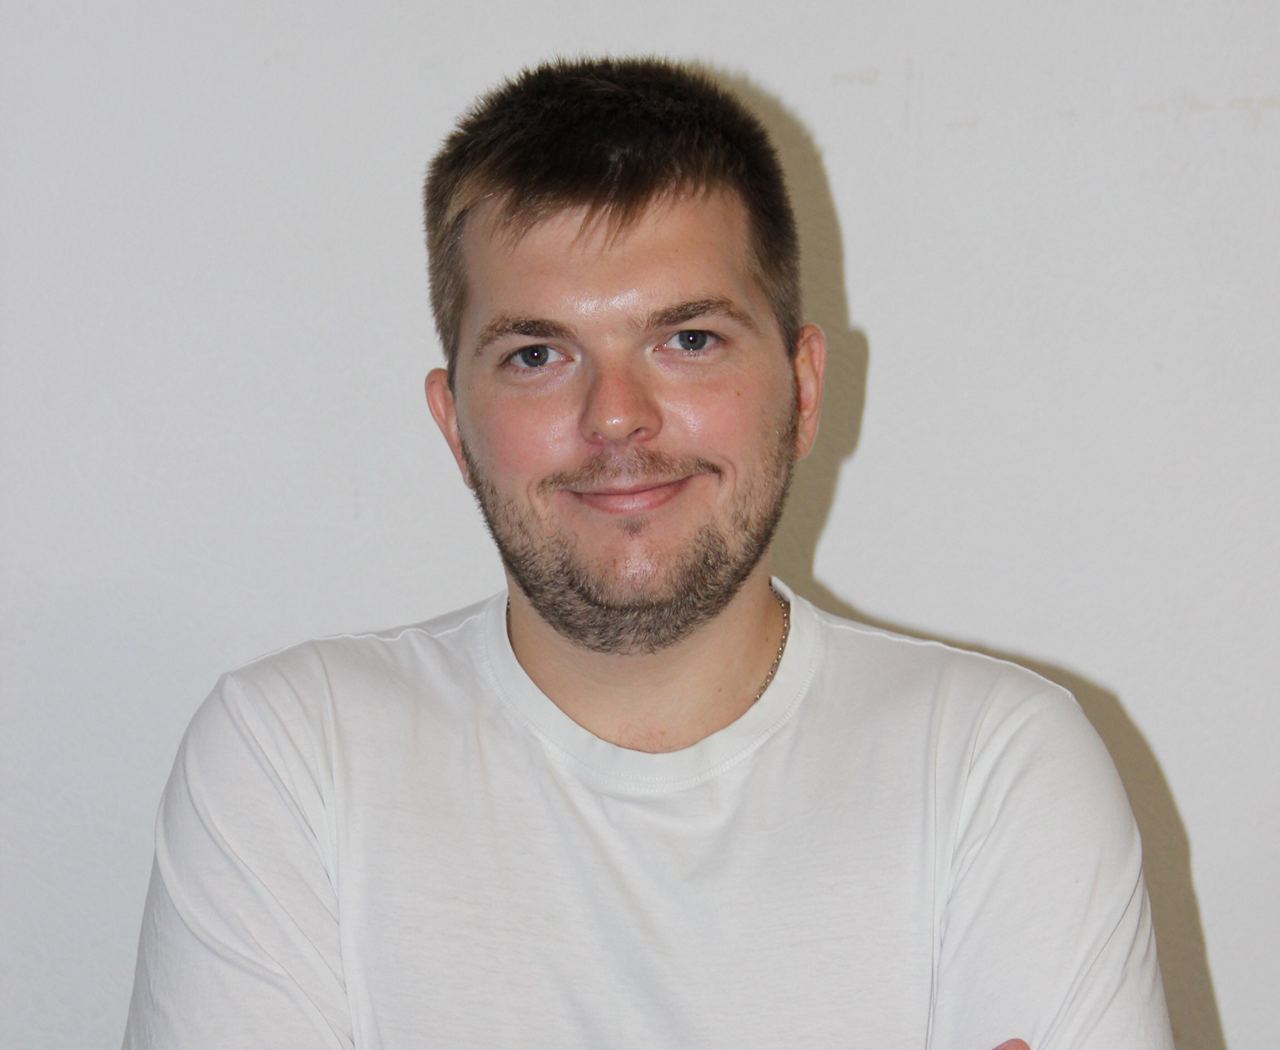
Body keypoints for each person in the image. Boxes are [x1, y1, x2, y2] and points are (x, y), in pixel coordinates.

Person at [123, 58, 1173, 1049]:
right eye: (538, 354)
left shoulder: (991, 765)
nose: (616, 416)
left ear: (805, 389)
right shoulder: (296, 757)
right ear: (454, 425)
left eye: (688, 341)